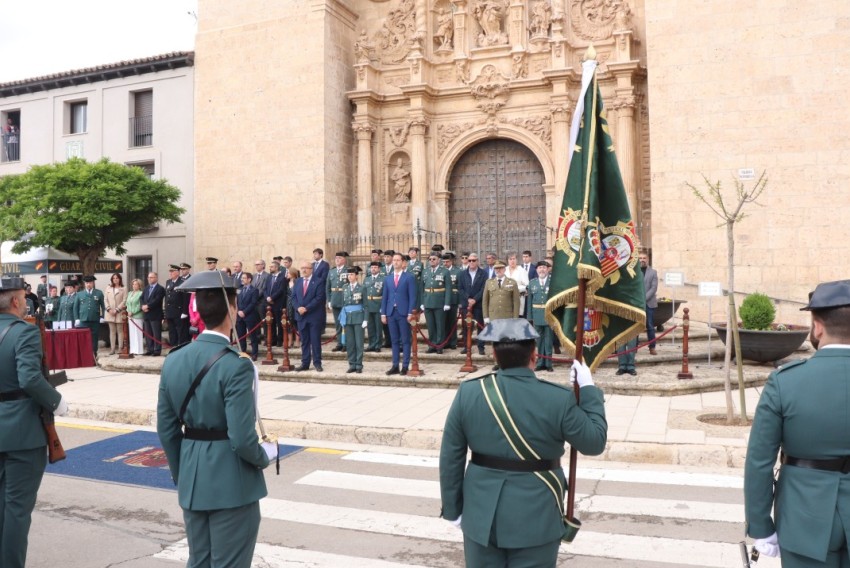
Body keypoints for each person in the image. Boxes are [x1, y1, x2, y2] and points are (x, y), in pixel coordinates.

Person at [439, 318, 607, 567]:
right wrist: (589, 388)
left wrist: (453, 510)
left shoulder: (470, 392)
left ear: (494, 355)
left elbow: (451, 457)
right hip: (536, 517)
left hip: (481, 515)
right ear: (535, 355)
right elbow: (594, 442)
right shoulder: (558, 399)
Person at [157, 271, 277, 568]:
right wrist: (265, 456)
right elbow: (241, 435)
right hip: (231, 482)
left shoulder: (174, 358)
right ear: (233, 310)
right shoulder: (236, 364)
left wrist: (182, 473)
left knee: (200, 561)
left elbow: (167, 429)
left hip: (193, 477)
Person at [744, 279, 850, 566]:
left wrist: (761, 527)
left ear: (817, 326)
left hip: (804, 518)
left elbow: (759, 461)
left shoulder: (785, 382)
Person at [0, 276, 69, 568]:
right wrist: (57, 401)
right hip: (22, 433)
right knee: (16, 509)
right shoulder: (24, 333)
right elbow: (29, 378)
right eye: (24, 298)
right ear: (16, 301)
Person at [381, 252, 417, 375]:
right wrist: (383, 313)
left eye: (398, 260)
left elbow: (412, 297)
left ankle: (405, 365)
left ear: (403, 263)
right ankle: (395, 365)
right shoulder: (388, 278)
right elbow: (385, 297)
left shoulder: (409, 277)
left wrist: (410, 312)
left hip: (403, 312)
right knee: (394, 340)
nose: (395, 262)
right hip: (391, 312)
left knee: (405, 340)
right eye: (394, 260)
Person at [292, 261, 326, 372]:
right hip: (301, 317)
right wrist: (298, 308)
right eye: (302, 268)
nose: (304, 270)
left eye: (306, 268)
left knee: (315, 340)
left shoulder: (319, 281)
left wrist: (306, 308)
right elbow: (293, 298)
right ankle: (305, 363)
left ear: (311, 269)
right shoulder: (298, 281)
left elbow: (319, 298)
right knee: (304, 341)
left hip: (314, 316)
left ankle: (317, 363)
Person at [421, 251, 452, 354]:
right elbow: (421, 288)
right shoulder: (425, 271)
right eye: (430, 259)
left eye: (434, 259)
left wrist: (447, 303)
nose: (431, 261)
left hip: (439, 301)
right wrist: (422, 302)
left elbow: (448, 288)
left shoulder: (445, 271)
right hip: (428, 300)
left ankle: (439, 345)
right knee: (430, 325)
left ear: (439, 260)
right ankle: (432, 345)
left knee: (440, 325)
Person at [458, 253, 487, 355]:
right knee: (466, 326)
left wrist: (475, 299)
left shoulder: (483, 273)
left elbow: (484, 289)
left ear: (477, 261)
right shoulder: (462, 274)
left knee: (480, 326)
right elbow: (460, 288)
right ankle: (466, 346)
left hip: (478, 304)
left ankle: (481, 347)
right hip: (466, 304)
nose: (471, 262)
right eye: (469, 260)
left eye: (473, 260)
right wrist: (468, 299)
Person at [527, 260, 554, 372]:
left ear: (547, 269)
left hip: (549, 315)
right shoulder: (532, 283)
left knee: (548, 340)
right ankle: (540, 362)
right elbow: (530, 301)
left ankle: (548, 363)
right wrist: (530, 317)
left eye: (544, 267)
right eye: (540, 268)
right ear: (536, 270)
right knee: (539, 340)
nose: (542, 270)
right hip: (537, 314)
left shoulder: (552, 282)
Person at [341, 266, 366, 373]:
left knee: (359, 343)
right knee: (350, 343)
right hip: (348, 318)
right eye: (348, 275)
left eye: (351, 274)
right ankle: (352, 364)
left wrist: (365, 319)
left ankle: (359, 365)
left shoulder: (362, 288)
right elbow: (344, 303)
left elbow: (366, 305)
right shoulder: (345, 287)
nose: (349, 277)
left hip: (358, 317)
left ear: (356, 276)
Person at [73, 275, 106, 358]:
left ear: (93, 283)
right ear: (84, 284)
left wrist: (103, 316)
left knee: (94, 337)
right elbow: (75, 307)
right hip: (83, 319)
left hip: (95, 319)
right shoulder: (79, 294)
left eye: (90, 283)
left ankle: (94, 353)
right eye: (87, 283)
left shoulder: (98, 293)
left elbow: (103, 306)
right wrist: (77, 319)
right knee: (83, 338)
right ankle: (84, 354)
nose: (89, 284)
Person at [327, 251, 349, 352]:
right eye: (336, 258)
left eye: (339, 258)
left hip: (344, 300)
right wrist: (329, 300)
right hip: (335, 299)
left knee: (345, 323)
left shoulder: (348, 270)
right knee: (338, 324)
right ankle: (339, 343)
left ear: (344, 260)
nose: (337, 260)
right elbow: (327, 287)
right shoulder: (332, 271)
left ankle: (346, 343)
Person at [235, 272, 260, 360]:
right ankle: (242, 352)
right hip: (239, 316)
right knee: (241, 335)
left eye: (244, 278)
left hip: (249, 316)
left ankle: (254, 353)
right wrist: (238, 311)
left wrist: (244, 312)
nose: (242, 279)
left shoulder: (254, 290)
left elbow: (253, 303)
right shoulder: (239, 289)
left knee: (252, 335)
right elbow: (237, 302)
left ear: (249, 279)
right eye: (242, 278)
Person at [264, 260, 288, 347]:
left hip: (278, 303)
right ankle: (272, 339)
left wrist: (272, 298)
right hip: (269, 303)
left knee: (279, 322)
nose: (270, 268)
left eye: (271, 267)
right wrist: (267, 297)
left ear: (277, 268)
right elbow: (265, 288)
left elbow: (281, 290)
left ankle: (279, 340)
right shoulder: (269, 277)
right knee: (271, 322)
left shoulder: (282, 277)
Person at [141, 272, 165, 356]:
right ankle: (149, 349)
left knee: (156, 334)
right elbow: (142, 298)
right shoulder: (146, 288)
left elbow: (157, 300)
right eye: (148, 277)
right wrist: (143, 306)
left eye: (151, 277)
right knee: (148, 333)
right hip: (146, 314)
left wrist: (148, 306)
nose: (149, 279)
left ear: (156, 278)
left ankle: (157, 350)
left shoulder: (160, 288)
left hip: (155, 314)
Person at [363, 261, 385, 352]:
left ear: (379, 269)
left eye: (375, 267)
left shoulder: (383, 279)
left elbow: (385, 294)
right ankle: (371, 344)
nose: (373, 269)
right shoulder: (367, 279)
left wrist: (383, 307)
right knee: (370, 326)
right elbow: (364, 293)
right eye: (372, 267)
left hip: (378, 304)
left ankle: (378, 345)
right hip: (368, 305)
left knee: (378, 326)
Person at [640, 252, 658, 355]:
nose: (642, 260)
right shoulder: (634, 272)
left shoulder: (653, 272)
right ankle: (635, 347)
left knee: (650, 325)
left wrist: (644, 298)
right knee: (637, 326)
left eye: (644, 258)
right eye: (640, 258)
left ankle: (652, 347)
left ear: (648, 259)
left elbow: (654, 288)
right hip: (637, 303)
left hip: (649, 303)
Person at [442, 251, 461, 350]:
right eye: (444, 262)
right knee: (443, 322)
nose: (445, 264)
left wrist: (460, 301)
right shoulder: (441, 271)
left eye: (447, 262)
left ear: (452, 261)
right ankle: (445, 341)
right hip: (442, 299)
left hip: (453, 299)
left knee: (452, 321)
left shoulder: (457, 271)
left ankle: (453, 342)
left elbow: (460, 286)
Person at [104, 272, 126, 355]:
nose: (115, 279)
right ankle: (112, 349)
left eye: (117, 278)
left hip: (119, 312)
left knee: (120, 331)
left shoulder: (124, 288)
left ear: (120, 279)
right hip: (110, 313)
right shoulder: (108, 288)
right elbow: (105, 299)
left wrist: (117, 310)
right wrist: (109, 309)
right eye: (114, 278)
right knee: (112, 331)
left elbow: (124, 300)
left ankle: (120, 348)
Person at [164, 265, 185, 351]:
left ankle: (180, 349)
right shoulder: (168, 282)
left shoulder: (182, 282)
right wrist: (165, 312)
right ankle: (173, 348)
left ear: (178, 272)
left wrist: (185, 311)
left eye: (172, 271)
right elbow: (167, 297)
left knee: (180, 332)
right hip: (170, 311)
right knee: (171, 331)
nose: (171, 273)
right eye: (170, 271)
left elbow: (185, 298)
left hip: (178, 311)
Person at [125, 278, 145, 355]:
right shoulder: (130, 293)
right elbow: (127, 303)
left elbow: (139, 305)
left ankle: (139, 350)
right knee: (132, 333)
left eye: (136, 284)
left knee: (138, 333)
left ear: (139, 285)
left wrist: (133, 312)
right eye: (133, 284)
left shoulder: (141, 293)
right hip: (130, 316)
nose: (134, 285)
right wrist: (128, 311)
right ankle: (133, 350)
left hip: (137, 315)